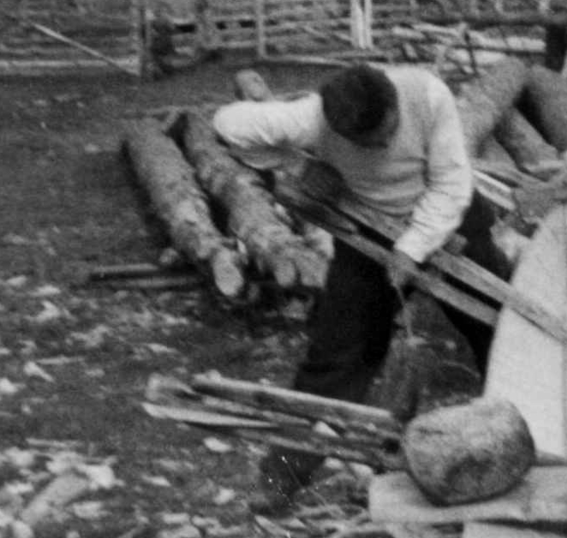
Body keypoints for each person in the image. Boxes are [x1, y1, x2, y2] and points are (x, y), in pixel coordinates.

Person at [212, 63, 510, 510]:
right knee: (333, 359)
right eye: (365, 143)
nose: (380, 146)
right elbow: (228, 125)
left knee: (503, 338)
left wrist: (411, 249)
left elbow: (450, 185)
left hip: (453, 227)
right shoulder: (312, 117)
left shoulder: (427, 96)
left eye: (385, 133)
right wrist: (298, 162)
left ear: (393, 102)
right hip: (369, 235)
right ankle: (279, 482)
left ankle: (531, 453)